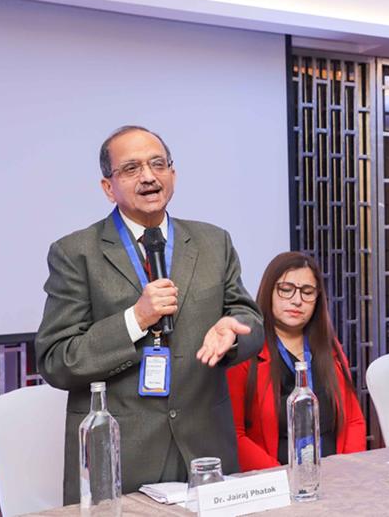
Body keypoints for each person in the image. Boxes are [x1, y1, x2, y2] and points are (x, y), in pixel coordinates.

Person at [35, 125, 264, 503]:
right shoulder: (76, 253)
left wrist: (234, 331)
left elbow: (249, 319)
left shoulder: (213, 241)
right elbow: (56, 360)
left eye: (158, 164)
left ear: (173, 174)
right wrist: (135, 320)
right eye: (131, 168)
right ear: (108, 187)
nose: (148, 176)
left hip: (205, 449)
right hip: (121, 458)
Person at [227, 251, 366, 471]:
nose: (297, 300)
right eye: (286, 289)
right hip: (274, 478)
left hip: (336, 477)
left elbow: (354, 422)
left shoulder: (330, 348)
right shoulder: (245, 350)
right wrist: (284, 478)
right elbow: (234, 435)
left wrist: (347, 469)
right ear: (269, 291)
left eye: (307, 292)